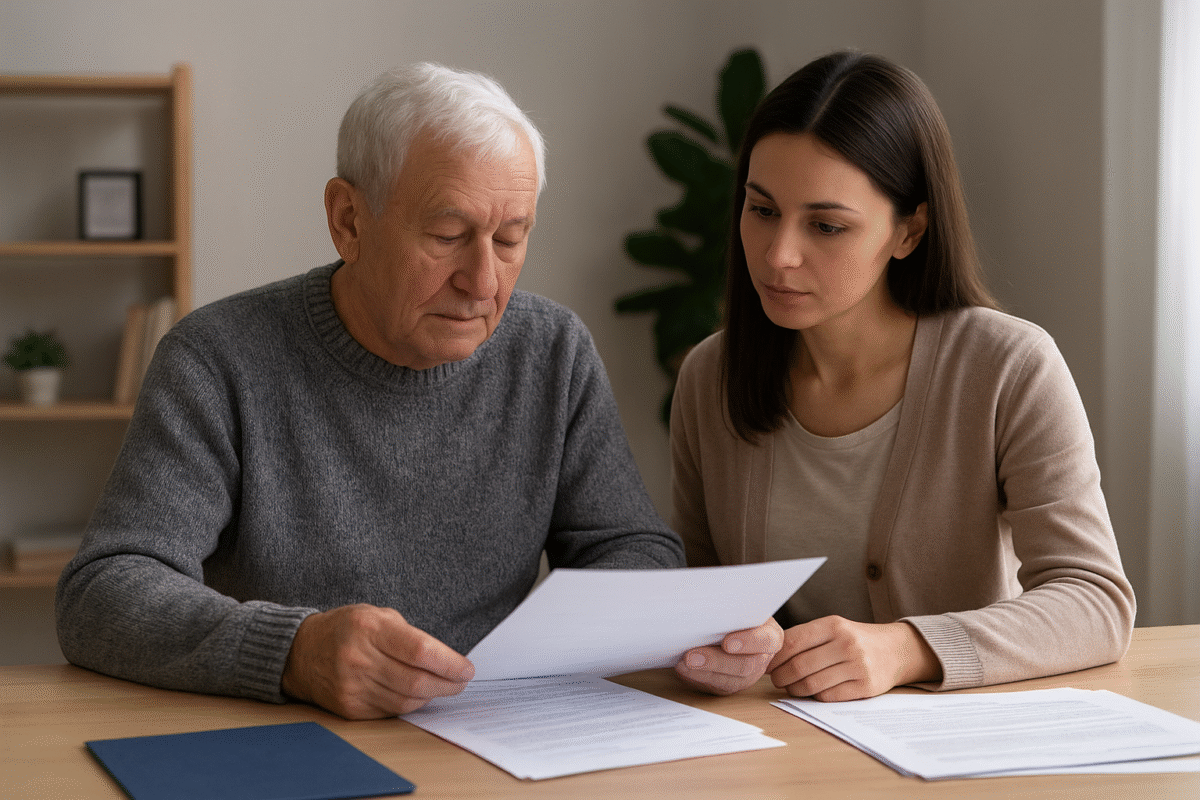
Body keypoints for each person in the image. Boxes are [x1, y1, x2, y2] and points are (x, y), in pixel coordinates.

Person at [55, 63, 752, 721]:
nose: (483, 282)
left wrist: (675, 628)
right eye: (449, 235)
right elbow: (103, 591)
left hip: (497, 740)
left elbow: (632, 548)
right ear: (348, 221)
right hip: (282, 742)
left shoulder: (553, 353)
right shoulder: (217, 359)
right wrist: (294, 652)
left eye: (510, 239)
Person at [670, 51, 1135, 702]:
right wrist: (716, 647)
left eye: (826, 225)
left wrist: (905, 648)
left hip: (954, 754)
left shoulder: (1010, 369)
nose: (778, 255)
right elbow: (700, 588)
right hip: (781, 748)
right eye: (762, 209)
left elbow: (1095, 602)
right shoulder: (709, 377)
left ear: (910, 230)